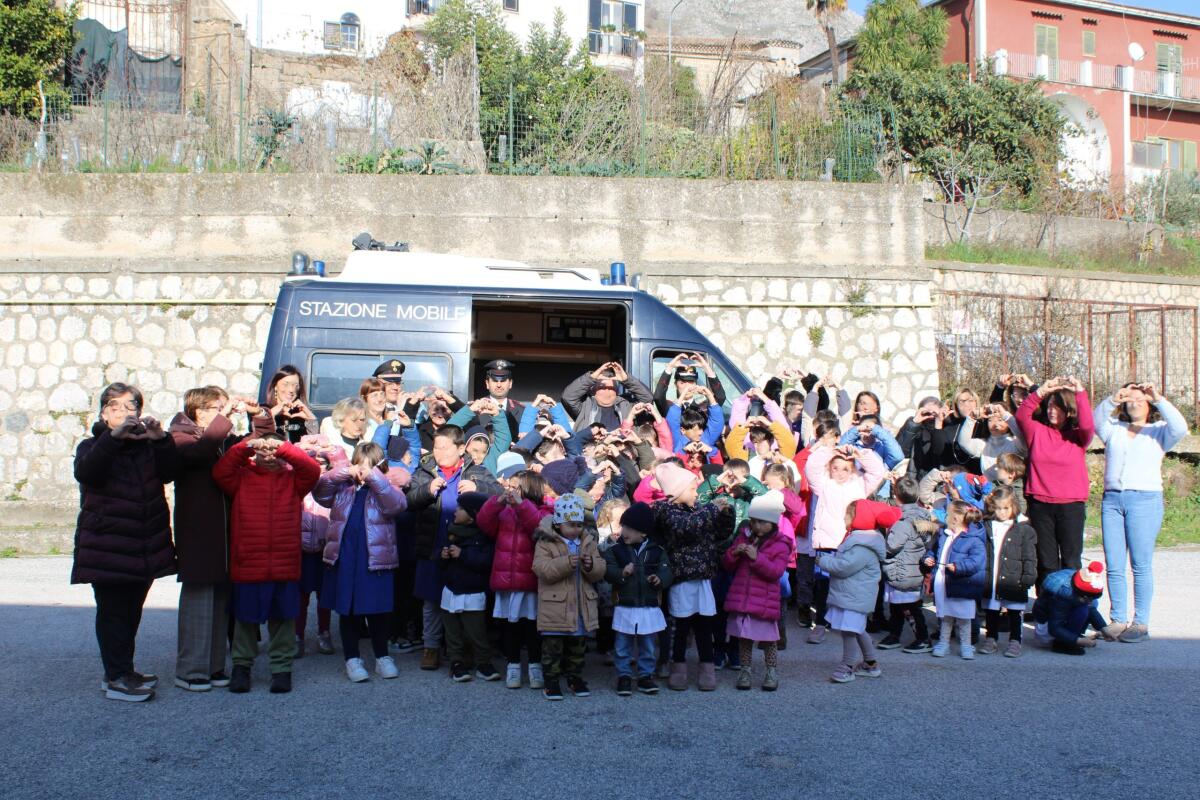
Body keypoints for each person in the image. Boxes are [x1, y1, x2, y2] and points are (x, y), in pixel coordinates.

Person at [73, 383, 178, 702]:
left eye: (129, 407)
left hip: (143, 545)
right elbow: (88, 474)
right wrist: (112, 439)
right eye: (114, 407)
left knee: (131, 611)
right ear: (103, 415)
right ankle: (116, 676)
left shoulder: (147, 447)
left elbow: (171, 472)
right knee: (113, 613)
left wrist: (161, 440)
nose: (122, 413)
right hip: (108, 546)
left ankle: (123, 669)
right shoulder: (91, 446)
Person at [169, 386, 275, 692]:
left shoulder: (220, 437)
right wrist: (226, 417)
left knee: (219, 604)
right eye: (218, 407)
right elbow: (200, 452)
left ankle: (214, 666)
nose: (226, 412)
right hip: (199, 531)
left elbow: (257, 443)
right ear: (200, 411)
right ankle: (190, 670)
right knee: (198, 601)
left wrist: (260, 416)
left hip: (227, 533)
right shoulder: (179, 436)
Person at [212, 432, 322, 694]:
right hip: (249, 560)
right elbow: (220, 471)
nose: (269, 456)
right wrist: (246, 446)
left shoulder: (293, 480)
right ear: (255, 454)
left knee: (283, 620)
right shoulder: (240, 478)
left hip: (284, 563)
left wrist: (283, 447)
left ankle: (281, 669)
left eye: (274, 452)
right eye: (264, 452)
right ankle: (241, 667)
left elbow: (312, 469)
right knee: (245, 620)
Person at [1093, 382, 1188, 643]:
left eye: (1139, 399)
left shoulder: (1159, 431)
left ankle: (1140, 623)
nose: (1133, 403)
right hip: (1113, 500)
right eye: (1129, 399)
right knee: (1113, 564)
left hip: (1145, 500)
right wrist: (1112, 399)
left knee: (1140, 564)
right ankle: (1118, 619)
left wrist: (1158, 398)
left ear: (1148, 405)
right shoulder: (1115, 429)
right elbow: (1094, 421)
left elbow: (1181, 427)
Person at [406, 425, 500, 671]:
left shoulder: (476, 471)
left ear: (461, 449)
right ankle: (431, 647)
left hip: (467, 548)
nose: (439, 452)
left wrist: (479, 489)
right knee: (431, 600)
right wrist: (426, 491)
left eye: (445, 447)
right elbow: (408, 500)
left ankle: (461, 649)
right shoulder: (425, 471)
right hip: (432, 546)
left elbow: (499, 496)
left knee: (464, 600)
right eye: (436, 447)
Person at [315, 442, 408, 683]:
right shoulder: (343, 488)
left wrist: (375, 478)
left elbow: (396, 506)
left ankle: (382, 657)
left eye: (369, 466)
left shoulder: (388, 486)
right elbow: (320, 491)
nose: (363, 471)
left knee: (379, 611)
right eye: (359, 465)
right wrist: (344, 471)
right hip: (345, 557)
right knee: (348, 610)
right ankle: (352, 658)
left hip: (376, 560)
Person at [650, 462, 736, 692]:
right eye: (691, 489)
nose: (696, 493)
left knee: (704, 626)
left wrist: (727, 513)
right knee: (680, 626)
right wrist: (712, 509)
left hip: (703, 577)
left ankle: (706, 667)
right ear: (677, 492)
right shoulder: (666, 511)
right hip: (682, 578)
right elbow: (685, 528)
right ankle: (678, 666)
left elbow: (720, 534)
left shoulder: (698, 510)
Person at [1015, 376, 1094, 587]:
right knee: (1046, 561)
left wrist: (1080, 392)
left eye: (1057, 408)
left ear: (1068, 411)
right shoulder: (1037, 432)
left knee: (1070, 559)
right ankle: (1047, 611)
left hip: (1071, 506)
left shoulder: (1077, 437)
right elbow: (1022, 415)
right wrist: (1041, 391)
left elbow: (1088, 425)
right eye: (1050, 406)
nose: (1052, 411)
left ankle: (1071, 605)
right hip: (1041, 504)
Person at [804, 442, 887, 643]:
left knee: (848, 585)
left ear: (852, 469)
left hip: (851, 541)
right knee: (824, 586)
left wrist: (860, 453)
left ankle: (846, 622)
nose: (840, 473)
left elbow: (877, 471)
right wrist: (831, 450)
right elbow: (811, 467)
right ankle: (822, 623)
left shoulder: (860, 484)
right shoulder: (823, 484)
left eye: (845, 469)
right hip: (827, 542)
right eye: (835, 468)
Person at [532, 494, 607, 700]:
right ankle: (551, 681)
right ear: (558, 523)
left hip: (581, 606)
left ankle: (574, 677)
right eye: (571, 525)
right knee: (552, 649)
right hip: (555, 607)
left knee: (577, 647)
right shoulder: (546, 541)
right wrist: (566, 563)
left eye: (579, 525)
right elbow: (541, 568)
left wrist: (591, 566)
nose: (576, 529)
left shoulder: (587, 541)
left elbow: (601, 567)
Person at [477, 476, 549, 689]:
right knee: (510, 626)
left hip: (531, 580)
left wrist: (521, 505)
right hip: (507, 579)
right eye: (509, 487)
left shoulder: (543, 510)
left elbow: (538, 527)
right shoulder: (504, 513)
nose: (511, 490)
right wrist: (497, 501)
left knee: (533, 626)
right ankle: (513, 666)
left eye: (516, 487)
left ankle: (535, 666)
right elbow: (483, 521)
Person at [818, 499, 897, 684]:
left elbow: (844, 567)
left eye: (848, 514)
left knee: (849, 632)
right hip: (853, 595)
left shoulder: (863, 545)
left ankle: (847, 666)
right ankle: (870, 663)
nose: (845, 517)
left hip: (854, 596)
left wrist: (823, 561)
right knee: (858, 629)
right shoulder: (861, 540)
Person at [722, 492, 792, 691]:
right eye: (753, 521)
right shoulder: (744, 535)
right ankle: (745, 670)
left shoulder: (781, 544)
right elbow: (727, 564)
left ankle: (771, 671)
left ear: (772, 522)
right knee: (744, 637)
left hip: (764, 600)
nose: (756, 526)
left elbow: (776, 572)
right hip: (743, 597)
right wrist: (734, 553)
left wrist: (756, 558)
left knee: (769, 639)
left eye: (762, 522)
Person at [603, 501, 672, 696]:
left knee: (647, 644)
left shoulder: (657, 551)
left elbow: (667, 571)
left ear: (643, 533)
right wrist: (621, 573)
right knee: (622, 644)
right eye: (624, 526)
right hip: (625, 604)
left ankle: (645, 676)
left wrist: (659, 579)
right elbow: (608, 571)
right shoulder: (615, 551)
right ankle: (624, 675)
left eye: (630, 529)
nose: (624, 531)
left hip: (648, 606)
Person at [438, 491, 500, 682]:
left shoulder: (484, 537)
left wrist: (463, 555)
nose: (455, 512)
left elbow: (486, 562)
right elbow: (439, 563)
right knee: (452, 632)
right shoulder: (451, 531)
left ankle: (483, 662)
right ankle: (456, 662)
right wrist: (443, 556)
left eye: (460, 509)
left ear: (473, 514)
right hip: (451, 589)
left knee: (477, 631)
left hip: (473, 591)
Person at [877, 476, 938, 653]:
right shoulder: (923, 516)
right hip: (914, 569)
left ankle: (922, 638)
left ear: (896, 496)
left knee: (909, 608)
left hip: (902, 569)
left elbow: (892, 546)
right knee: (897, 606)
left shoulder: (903, 521)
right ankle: (894, 635)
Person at [978, 486, 1037, 658]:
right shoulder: (988, 525)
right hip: (993, 576)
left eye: (1006, 508)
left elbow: (1029, 556)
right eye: (997, 508)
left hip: (1014, 577)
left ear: (1014, 507)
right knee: (991, 610)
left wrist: (1028, 576)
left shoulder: (1023, 529)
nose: (1002, 512)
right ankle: (991, 638)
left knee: (1014, 611)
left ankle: (1015, 641)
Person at [296, 435, 341, 657]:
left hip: (326, 547)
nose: (318, 467)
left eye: (322, 463)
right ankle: (297, 635)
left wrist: (328, 447)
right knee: (300, 596)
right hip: (301, 548)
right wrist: (306, 447)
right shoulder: (297, 480)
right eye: (313, 462)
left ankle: (324, 632)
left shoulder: (333, 483)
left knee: (324, 597)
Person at [924, 501, 986, 660]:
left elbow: (977, 561)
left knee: (964, 619)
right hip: (944, 583)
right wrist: (928, 559)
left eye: (948, 514)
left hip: (962, 585)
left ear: (956, 518)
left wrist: (959, 567)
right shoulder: (944, 534)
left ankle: (966, 645)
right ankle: (943, 643)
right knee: (946, 617)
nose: (945, 517)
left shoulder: (973, 538)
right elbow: (933, 551)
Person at [1033, 561, 1109, 655]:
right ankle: (1062, 644)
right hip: (1047, 630)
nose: (1090, 601)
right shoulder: (1062, 595)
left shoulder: (1080, 586)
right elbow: (1054, 628)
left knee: (1089, 605)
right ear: (1081, 594)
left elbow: (1091, 608)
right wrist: (1078, 641)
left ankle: (1073, 636)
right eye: (1087, 598)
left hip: (1061, 616)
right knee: (1082, 610)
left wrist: (1104, 628)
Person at [562, 361, 655, 433]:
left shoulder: (626, 406)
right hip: (590, 453)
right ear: (593, 390)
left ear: (617, 391)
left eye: (611, 388)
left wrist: (626, 380)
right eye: (602, 387)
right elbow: (568, 396)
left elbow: (647, 399)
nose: (607, 390)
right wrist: (591, 378)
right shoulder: (585, 406)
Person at [653, 353, 727, 416]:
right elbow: (658, 397)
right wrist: (669, 367)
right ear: (675, 384)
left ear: (696, 384)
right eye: (682, 383)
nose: (687, 387)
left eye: (691, 382)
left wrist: (707, 369)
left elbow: (721, 397)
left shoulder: (703, 408)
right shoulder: (670, 407)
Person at [266, 365, 318, 443]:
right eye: (285, 384)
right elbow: (260, 438)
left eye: (295, 386)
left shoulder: (300, 414)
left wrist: (311, 419)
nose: (291, 390)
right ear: (275, 386)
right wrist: (271, 415)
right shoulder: (263, 410)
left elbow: (313, 445)